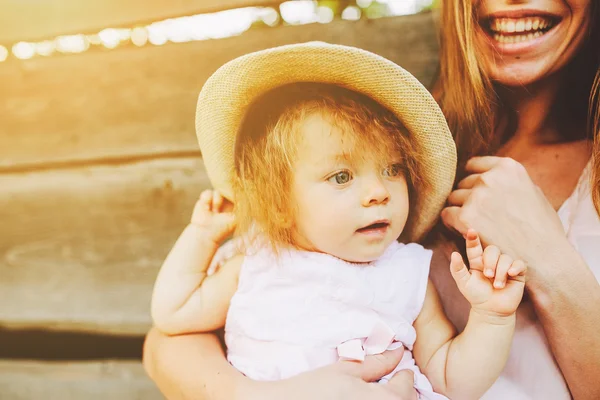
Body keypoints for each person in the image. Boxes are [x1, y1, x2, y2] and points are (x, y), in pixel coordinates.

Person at [143, 0, 600, 398]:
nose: (379, 191)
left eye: (394, 170)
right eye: (342, 175)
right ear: (279, 202)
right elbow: (171, 323)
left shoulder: (405, 275)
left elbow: (451, 377)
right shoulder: (262, 258)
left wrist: (493, 315)